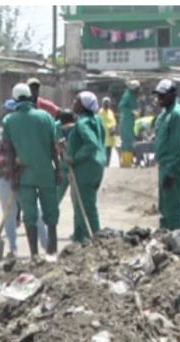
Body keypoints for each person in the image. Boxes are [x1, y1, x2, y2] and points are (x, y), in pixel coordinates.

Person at [2, 82, 61, 258]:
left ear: (15, 100)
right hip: (45, 173)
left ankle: (34, 254)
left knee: (29, 215)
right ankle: (52, 250)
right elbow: (53, 147)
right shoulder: (46, 117)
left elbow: (10, 150)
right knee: (51, 213)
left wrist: (12, 175)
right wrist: (57, 170)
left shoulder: (9, 120)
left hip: (24, 175)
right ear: (30, 97)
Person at [0, 99, 48, 258]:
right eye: (6, 112)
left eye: (12, 113)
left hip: (25, 177)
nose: (8, 116)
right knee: (9, 213)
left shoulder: (27, 134)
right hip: (2, 178)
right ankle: (12, 248)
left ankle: (47, 246)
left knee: (36, 212)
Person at [153, 79, 180, 230]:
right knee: (164, 207)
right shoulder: (165, 114)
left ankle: (176, 241)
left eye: (163, 95)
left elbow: (177, 148)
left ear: (173, 95)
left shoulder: (177, 115)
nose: (160, 99)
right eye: (159, 96)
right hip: (165, 165)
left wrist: (170, 172)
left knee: (173, 209)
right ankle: (165, 239)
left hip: (174, 167)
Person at [65, 92, 106, 243]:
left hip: (85, 168)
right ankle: (78, 236)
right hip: (97, 166)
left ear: (83, 105)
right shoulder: (96, 120)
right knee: (80, 202)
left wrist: (74, 157)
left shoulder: (82, 123)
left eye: (76, 101)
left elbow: (91, 143)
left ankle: (96, 238)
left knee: (85, 205)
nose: (73, 103)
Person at [55, 110, 77, 205]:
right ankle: (49, 215)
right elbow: (55, 147)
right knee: (57, 192)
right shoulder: (56, 127)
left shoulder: (78, 127)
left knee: (76, 195)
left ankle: (78, 214)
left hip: (76, 164)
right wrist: (59, 146)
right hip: (63, 163)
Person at [118, 80, 140, 168]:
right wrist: (131, 111)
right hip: (126, 121)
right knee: (127, 141)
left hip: (130, 120)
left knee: (130, 141)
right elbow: (121, 106)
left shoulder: (132, 96)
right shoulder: (127, 95)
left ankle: (128, 161)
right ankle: (126, 162)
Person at [98, 97, 117, 166]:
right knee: (104, 150)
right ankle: (104, 164)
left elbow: (113, 121)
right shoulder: (100, 112)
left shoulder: (110, 112)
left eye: (108, 103)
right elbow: (102, 122)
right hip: (104, 134)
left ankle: (108, 164)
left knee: (109, 150)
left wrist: (114, 127)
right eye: (105, 103)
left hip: (111, 135)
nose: (107, 104)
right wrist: (109, 128)